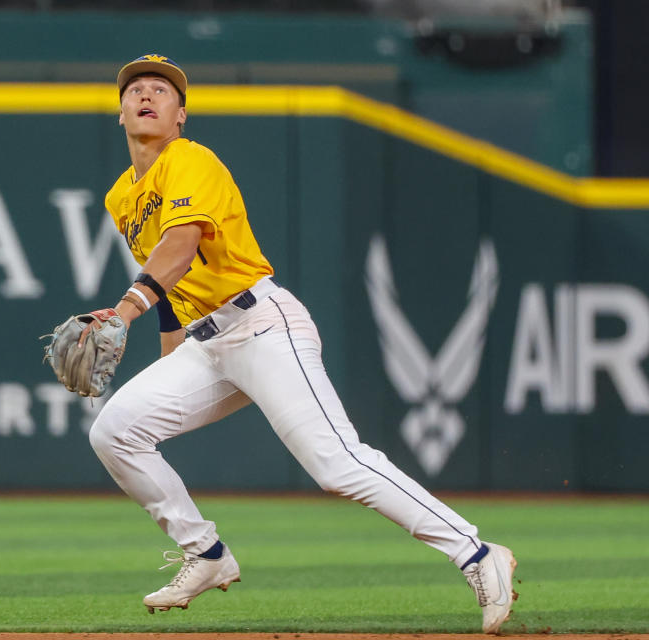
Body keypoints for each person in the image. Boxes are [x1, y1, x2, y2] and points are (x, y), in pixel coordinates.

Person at [86, 53, 517, 634]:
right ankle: (207, 555)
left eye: (161, 90)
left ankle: (476, 551)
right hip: (205, 342)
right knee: (115, 431)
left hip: (263, 325)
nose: (146, 95)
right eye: (135, 89)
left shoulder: (190, 160)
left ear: (180, 114)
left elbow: (182, 246)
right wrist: (170, 356)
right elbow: (167, 281)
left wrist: (125, 308)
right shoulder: (121, 196)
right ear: (119, 114)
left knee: (337, 464)